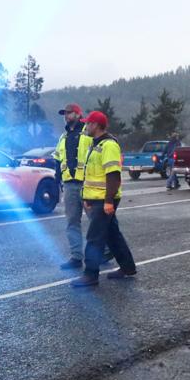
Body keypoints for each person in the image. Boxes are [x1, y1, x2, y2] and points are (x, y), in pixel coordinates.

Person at [72, 111, 138, 287]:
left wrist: (108, 201)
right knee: (112, 234)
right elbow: (92, 174)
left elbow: (113, 175)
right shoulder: (95, 144)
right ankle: (128, 267)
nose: (86, 126)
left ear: (95, 125)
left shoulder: (109, 145)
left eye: (88, 124)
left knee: (94, 237)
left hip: (105, 198)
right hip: (97, 197)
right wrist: (87, 197)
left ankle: (90, 274)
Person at [53, 103, 91, 270]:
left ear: (78, 114)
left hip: (88, 183)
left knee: (96, 221)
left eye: (69, 113)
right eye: (65, 114)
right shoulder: (63, 137)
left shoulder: (88, 133)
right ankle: (76, 257)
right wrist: (57, 178)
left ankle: (105, 251)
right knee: (72, 222)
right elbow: (58, 158)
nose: (66, 116)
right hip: (69, 184)